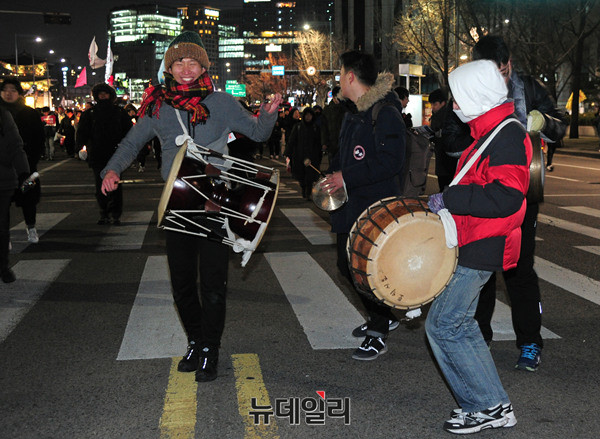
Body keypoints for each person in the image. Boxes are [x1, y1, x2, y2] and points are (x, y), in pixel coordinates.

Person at [100, 31, 281, 382]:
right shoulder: (158, 106)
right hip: (177, 204)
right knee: (182, 284)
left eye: (193, 62)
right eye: (179, 62)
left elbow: (258, 133)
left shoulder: (222, 103)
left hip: (215, 203)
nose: (186, 68)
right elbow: (132, 143)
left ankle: (211, 347)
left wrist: (268, 115)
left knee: (213, 283)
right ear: (169, 68)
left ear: (203, 67)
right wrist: (112, 169)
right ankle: (196, 341)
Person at [426, 59, 531, 434]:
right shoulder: (495, 131)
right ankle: (489, 404)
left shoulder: (507, 135)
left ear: (477, 96)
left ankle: (487, 405)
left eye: (459, 97)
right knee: (459, 324)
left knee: (443, 325)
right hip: (476, 238)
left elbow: (506, 196)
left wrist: (451, 198)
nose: (454, 105)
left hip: (484, 241)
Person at [471, 35, 566, 371]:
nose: (498, 80)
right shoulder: (468, 88)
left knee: (519, 269)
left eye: (502, 72)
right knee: (479, 268)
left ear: (509, 64)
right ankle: (478, 338)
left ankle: (530, 341)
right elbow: (450, 138)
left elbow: (560, 124)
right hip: (483, 192)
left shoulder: (529, 88)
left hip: (522, 192)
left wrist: (544, 122)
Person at [320, 50, 406, 361]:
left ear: (351, 76)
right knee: (347, 267)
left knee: (366, 271)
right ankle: (383, 317)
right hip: (350, 206)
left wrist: (346, 176)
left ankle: (378, 331)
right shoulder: (353, 113)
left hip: (373, 209)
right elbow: (344, 157)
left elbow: (391, 162)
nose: (339, 81)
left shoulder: (385, 112)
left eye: (340, 74)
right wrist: (333, 176)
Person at [76, 83, 133, 225]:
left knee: (116, 185)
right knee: (100, 184)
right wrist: (80, 148)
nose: (102, 96)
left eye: (105, 93)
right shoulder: (90, 113)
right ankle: (104, 212)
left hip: (116, 153)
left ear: (110, 95)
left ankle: (115, 214)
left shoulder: (119, 112)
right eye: (100, 94)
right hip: (97, 153)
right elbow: (82, 133)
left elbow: (129, 132)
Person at [0, 78, 45, 244]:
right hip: (4, 168)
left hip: (26, 166)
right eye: (5, 89)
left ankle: (31, 227)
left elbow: (39, 138)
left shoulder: (29, 113)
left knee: (29, 199)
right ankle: (5, 236)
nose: (8, 93)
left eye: (13, 90)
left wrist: (32, 159)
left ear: (19, 93)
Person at [0, 108, 30, 282]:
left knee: (1, 226)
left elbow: (15, 146)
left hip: (2, 180)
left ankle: (3, 266)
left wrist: (24, 174)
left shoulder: (3, 115)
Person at [284, 107, 322, 199]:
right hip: (299, 155)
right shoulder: (298, 127)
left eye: (310, 115)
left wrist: (319, 154)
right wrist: (287, 152)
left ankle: (308, 192)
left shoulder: (315, 127)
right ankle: (304, 188)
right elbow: (292, 140)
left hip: (312, 155)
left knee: (310, 176)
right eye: (306, 115)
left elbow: (318, 142)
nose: (308, 117)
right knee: (301, 175)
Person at [428, 88, 458, 191]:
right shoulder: (437, 115)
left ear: (443, 103)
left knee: (446, 186)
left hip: (448, 159)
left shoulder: (447, 116)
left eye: (435, 104)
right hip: (443, 158)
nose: (433, 107)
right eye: (432, 104)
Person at [321, 86, 350, 164]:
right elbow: (324, 127)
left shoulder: (346, 109)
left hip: (344, 143)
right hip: (332, 143)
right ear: (333, 97)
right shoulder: (327, 110)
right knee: (333, 164)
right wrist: (324, 142)